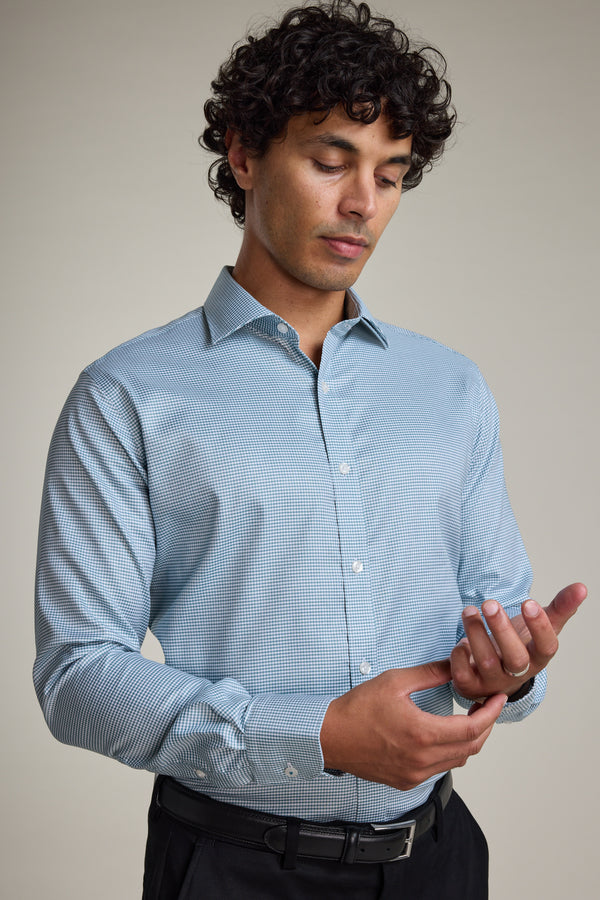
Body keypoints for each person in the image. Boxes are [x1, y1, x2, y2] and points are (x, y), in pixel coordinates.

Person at [33, 2, 586, 898]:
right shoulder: (128, 394)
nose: (363, 203)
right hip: (230, 869)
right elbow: (77, 675)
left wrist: (506, 669)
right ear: (245, 153)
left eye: (392, 175)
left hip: (437, 862)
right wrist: (316, 735)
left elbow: (499, 630)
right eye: (330, 161)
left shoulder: (450, 389)